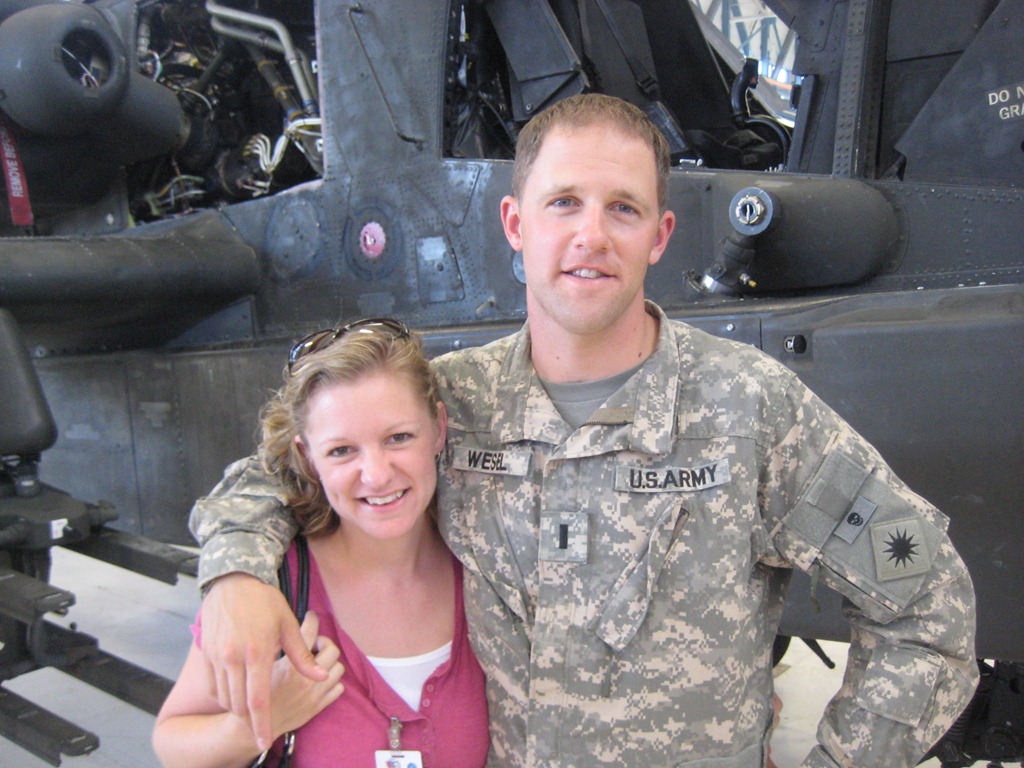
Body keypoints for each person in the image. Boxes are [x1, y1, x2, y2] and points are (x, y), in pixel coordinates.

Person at [189, 93, 978, 768]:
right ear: (515, 223)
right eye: (563, 202)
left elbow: (930, 605)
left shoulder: (749, 409)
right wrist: (236, 577)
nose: (591, 236)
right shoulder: (454, 400)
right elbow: (284, 469)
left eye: (622, 209)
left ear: (660, 235)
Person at [154, 319, 489, 768]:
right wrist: (261, 723)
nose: (377, 475)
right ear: (308, 457)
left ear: (439, 429)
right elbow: (174, 742)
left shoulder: (486, 570)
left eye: (399, 437)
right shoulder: (271, 586)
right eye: (341, 450)